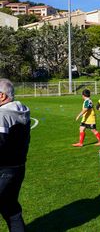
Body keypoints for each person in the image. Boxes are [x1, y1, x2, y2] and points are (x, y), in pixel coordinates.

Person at [0, 79, 30, 232]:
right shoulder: (23, 109)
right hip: (19, 167)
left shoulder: (2, 113)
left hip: (4, 169)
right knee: (10, 207)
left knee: (9, 207)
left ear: (2, 96)